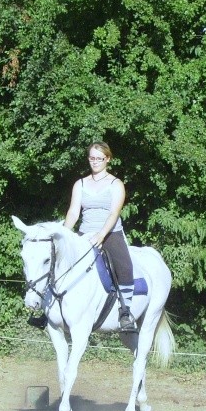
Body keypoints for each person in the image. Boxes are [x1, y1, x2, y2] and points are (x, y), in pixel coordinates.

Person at [64, 142, 137, 333]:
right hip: (85, 233)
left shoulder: (116, 184)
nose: (95, 162)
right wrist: (64, 234)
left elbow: (114, 213)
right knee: (60, 263)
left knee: (125, 267)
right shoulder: (80, 184)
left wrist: (101, 234)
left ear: (107, 159)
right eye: (92, 158)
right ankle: (50, 311)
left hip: (110, 233)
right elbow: (73, 212)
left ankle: (125, 312)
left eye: (99, 158)